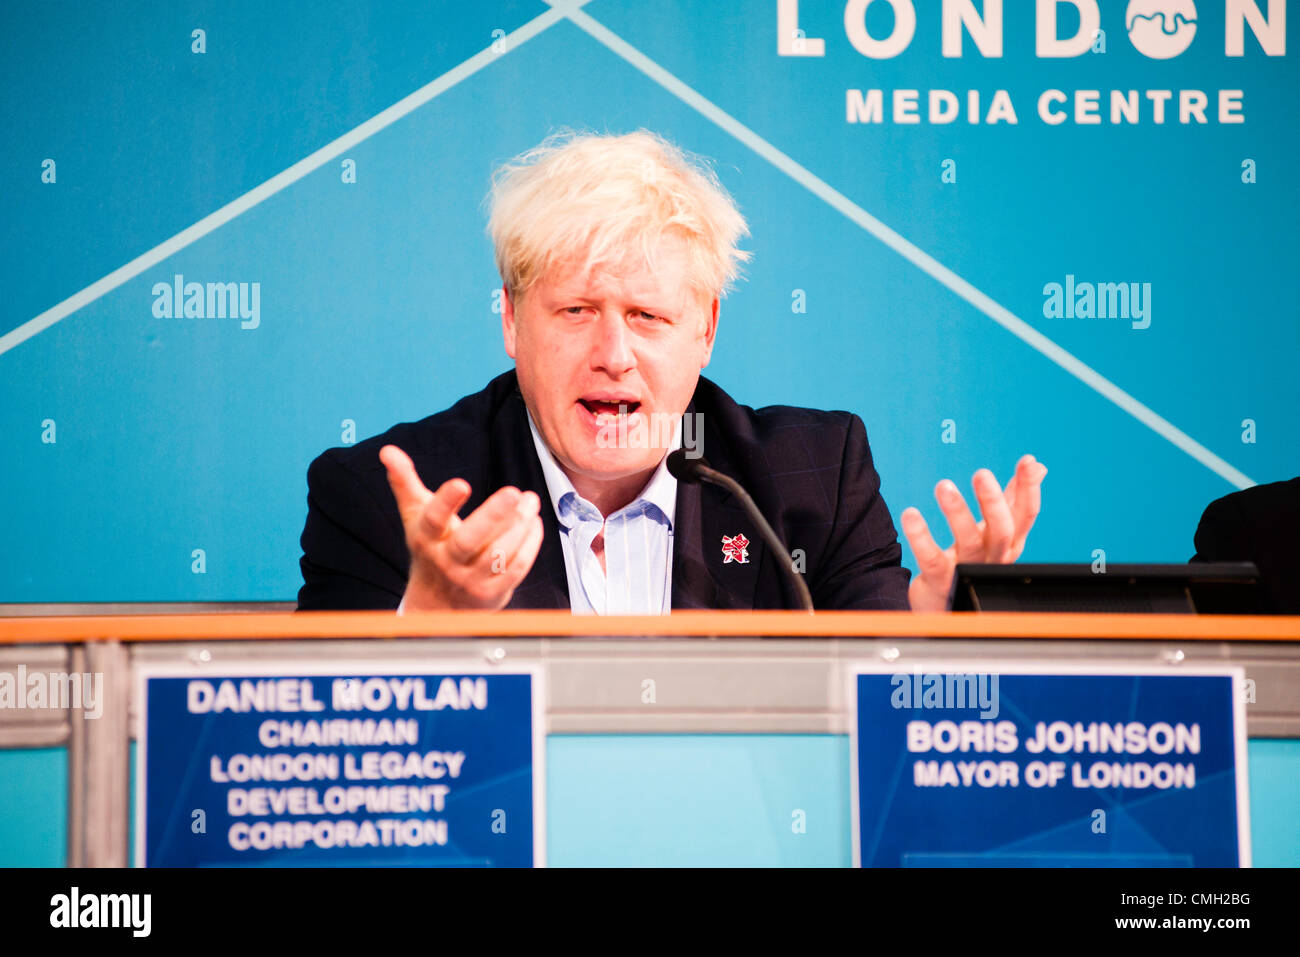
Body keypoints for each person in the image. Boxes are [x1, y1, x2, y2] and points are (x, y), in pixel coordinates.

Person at [296, 129, 1047, 614]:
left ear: (707, 329)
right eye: (576, 311)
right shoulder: (389, 501)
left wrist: (943, 632)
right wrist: (426, 619)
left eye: (648, 317)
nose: (614, 354)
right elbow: (332, 764)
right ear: (510, 322)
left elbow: (879, 723)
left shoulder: (811, 478)